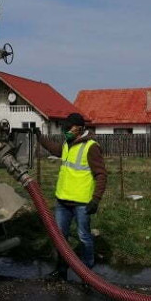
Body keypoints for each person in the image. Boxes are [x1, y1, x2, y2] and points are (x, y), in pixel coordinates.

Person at [35, 113, 107, 280]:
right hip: (62, 201)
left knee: (84, 237)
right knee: (60, 237)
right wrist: (40, 138)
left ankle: (88, 274)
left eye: (69, 128)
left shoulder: (91, 147)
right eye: (65, 128)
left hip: (82, 203)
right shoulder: (68, 143)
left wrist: (96, 199)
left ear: (80, 128)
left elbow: (101, 175)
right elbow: (56, 149)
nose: (66, 130)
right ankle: (61, 271)